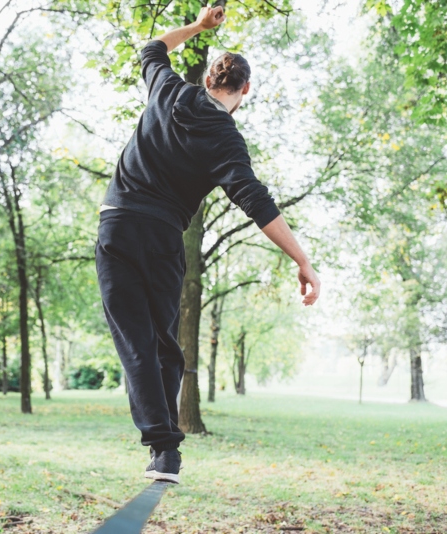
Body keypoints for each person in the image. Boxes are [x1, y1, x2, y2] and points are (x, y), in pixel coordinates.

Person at [95, 5, 320, 484]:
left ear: (209, 79)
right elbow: (255, 201)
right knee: (164, 348)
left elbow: (152, 48)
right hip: (158, 236)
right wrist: (302, 260)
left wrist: (197, 27)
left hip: (113, 226)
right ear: (244, 90)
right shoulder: (224, 136)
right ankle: (165, 452)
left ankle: (161, 447)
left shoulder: (167, 88)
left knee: (136, 343)